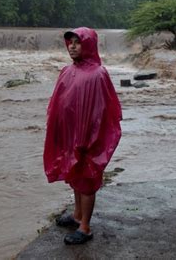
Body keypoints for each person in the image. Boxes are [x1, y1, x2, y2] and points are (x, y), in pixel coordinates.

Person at [43, 27, 122, 245]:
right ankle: (77, 215)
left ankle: (85, 227)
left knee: (87, 180)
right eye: (70, 42)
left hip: (89, 140)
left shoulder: (98, 74)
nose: (73, 46)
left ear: (88, 45)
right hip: (70, 136)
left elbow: (103, 111)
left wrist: (90, 139)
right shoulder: (67, 71)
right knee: (75, 177)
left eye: (78, 42)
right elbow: (58, 103)